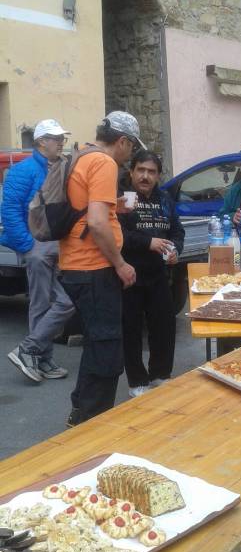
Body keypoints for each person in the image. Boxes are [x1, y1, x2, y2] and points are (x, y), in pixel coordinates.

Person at [59, 111, 145, 426]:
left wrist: (115, 207)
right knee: (107, 349)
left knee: (97, 342)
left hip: (75, 264)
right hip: (93, 268)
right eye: (132, 147)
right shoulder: (104, 163)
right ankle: (92, 424)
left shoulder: (81, 155)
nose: (131, 154)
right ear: (122, 141)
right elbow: (95, 222)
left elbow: (86, 210)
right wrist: (120, 264)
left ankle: (80, 414)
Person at [1, 119, 75, 383]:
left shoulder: (58, 168)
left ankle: (39, 357)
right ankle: (34, 356)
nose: (61, 143)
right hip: (36, 246)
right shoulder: (24, 171)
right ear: (42, 141)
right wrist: (28, 246)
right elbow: (9, 210)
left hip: (51, 245)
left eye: (62, 139)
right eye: (56, 139)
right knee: (48, 303)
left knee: (50, 303)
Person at [119, 150, 185, 398]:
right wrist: (149, 243)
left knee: (164, 326)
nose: (145, 176)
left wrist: (175, 249)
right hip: (129, 274)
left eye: (151, 171)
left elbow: (177, 232)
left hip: (159, 275)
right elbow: (118, 234)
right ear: (132, 171)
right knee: (131, 329)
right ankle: (137, 381)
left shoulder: (165, 199)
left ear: (158, 175)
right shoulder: (123, 198)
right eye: (141, 170)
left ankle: (160, 375)